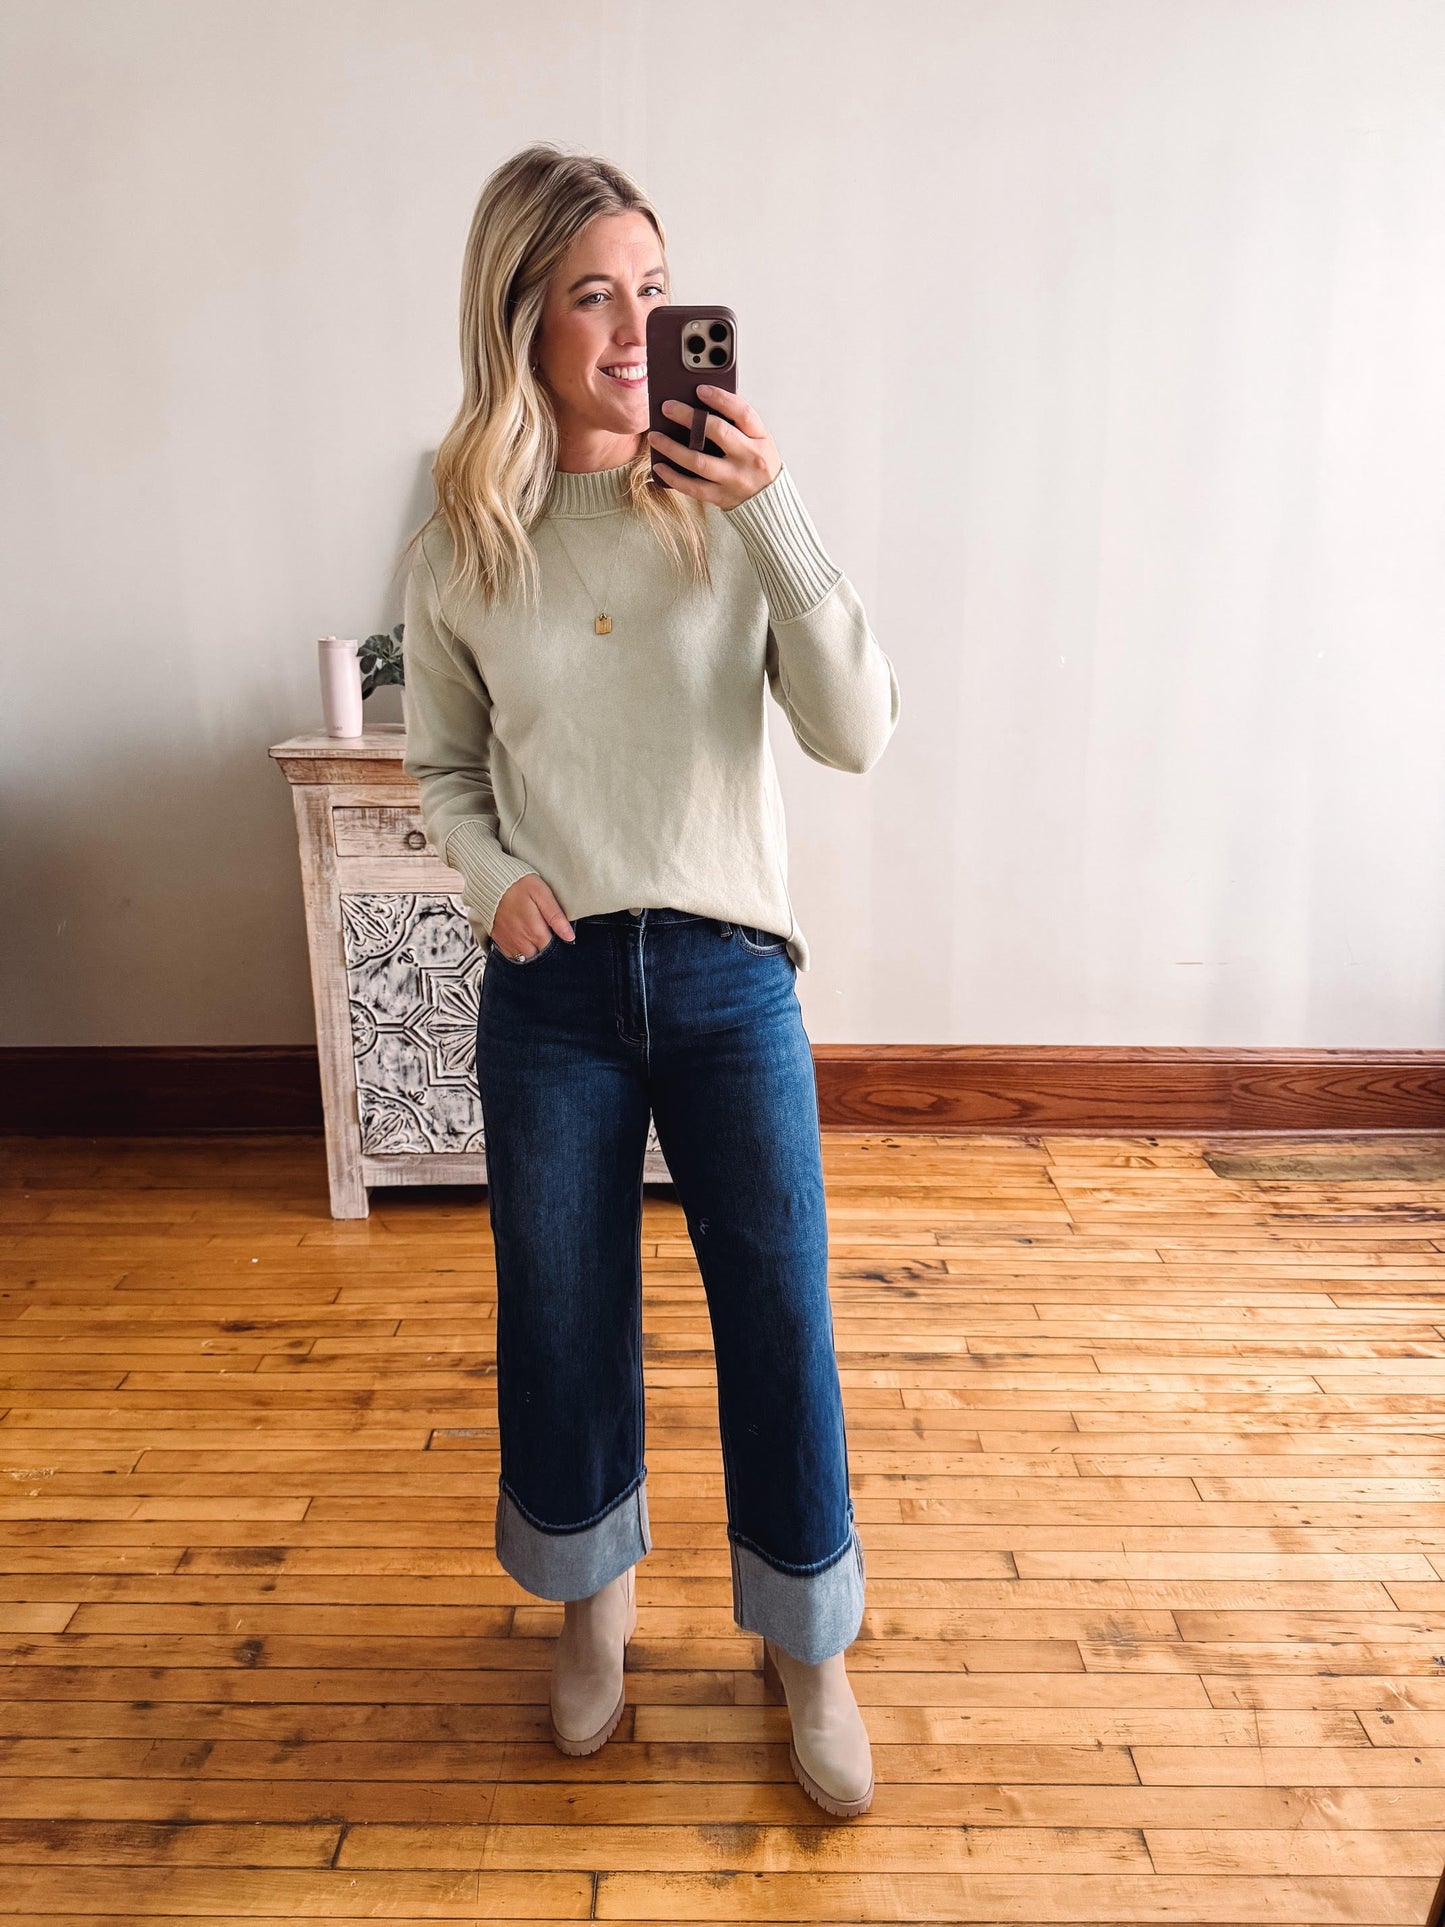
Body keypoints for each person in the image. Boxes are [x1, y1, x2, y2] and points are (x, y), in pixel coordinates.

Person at [399, 141, 900, 1818]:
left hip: (728, 974)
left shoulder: (732, 501)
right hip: (551, 995)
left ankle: (804, 1643)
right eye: (592, 295)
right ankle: (589, 1607)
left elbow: (855, 731)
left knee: (778, 1316)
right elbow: (445, 765)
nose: (634, 328)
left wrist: (774, 503)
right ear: (524, 319)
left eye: (654, 288)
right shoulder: (466, 522)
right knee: (560, 1317)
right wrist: (496, 880)